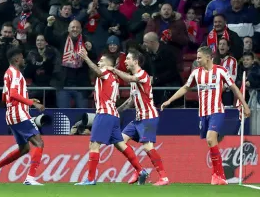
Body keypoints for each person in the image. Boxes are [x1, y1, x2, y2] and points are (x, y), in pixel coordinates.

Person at [161, 46, 250, 185]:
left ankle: (219, 176)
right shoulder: (196, 73)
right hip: (203, 113)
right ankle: (217, 175)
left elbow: (234, 88)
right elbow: (185, 87)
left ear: (208, 57)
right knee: (210, 142)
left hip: (217, 111)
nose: (197, 60)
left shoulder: (221, 71)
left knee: (210, 137)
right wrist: (169, 100)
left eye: (199, 57)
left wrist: (244, 105)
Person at [74, 49, 149, 185]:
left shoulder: (106, 72)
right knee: (121, 145)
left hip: (104, 113)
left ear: (108, 63)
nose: (99, 62)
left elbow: (97, 71)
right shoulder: (113, 77)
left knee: (94, 145)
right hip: (113, 115)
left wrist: (85, 58)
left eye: (101, 60)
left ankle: (90, 179)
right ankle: (140, 170)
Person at [0, 47, 45, 186]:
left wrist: (28, 100)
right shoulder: (16, 74)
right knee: (39, 143)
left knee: (24, 148)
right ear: (17, 59)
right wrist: (32, 103)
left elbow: (4, 96)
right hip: (20, 114)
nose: (24, 60)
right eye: (22, 57)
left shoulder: (7, 73)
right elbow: (12, 94)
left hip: (11, 114)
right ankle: (30, 178)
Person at [109, 50, 170, 186]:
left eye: (128, 59)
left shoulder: (141, 74)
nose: (125, 61)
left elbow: (130, 79)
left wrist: (113, 69)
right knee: (119, 141)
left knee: (148, 147)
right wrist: (116, 111)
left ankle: (164, 177)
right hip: (138, 119)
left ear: (135, 62)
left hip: (148, 117)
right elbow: (131, 100)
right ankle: (139, 170)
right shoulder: (133, 79)